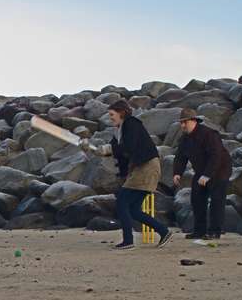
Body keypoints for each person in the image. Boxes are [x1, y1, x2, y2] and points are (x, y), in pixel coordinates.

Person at [82, 99, 172, 250]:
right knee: (134, 210)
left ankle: (128, 241)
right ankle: (163, 231)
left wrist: (106, 149)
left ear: (121, 113)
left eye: (112, 114)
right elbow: (113, 150)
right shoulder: (119, 130)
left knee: (122, 202)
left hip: (146, 167)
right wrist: (91, 149)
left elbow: (128, 147)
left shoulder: (131, 124)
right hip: (141, 168)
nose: (110, 117)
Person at [172, 108, 231, 240]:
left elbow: (216, 155)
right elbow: (180, 157)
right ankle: (199, 231)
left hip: (220, 170)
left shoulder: (209, 134)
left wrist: (207, 175)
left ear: (194, 121)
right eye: (181, 122)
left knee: (216, 201)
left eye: (185, 122)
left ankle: (215, 231)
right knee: (197, 199)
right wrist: (177, 173)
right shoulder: (185, 138)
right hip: (200, 170)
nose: (182, 125)